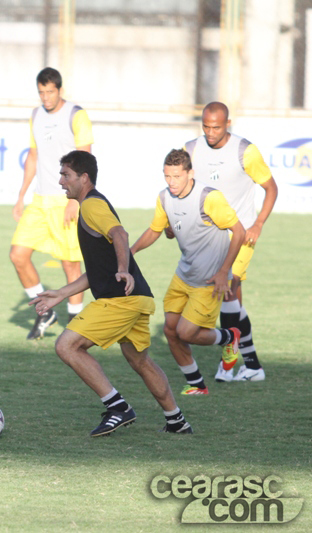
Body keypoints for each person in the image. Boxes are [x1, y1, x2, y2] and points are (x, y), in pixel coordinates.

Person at [30, 150, 192, 436]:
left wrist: (123, 269)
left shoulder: (92, 206)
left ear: (84, 177)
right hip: (138, 297)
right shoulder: (92, 206)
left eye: (66, 175)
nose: (60, 181)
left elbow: (120, 234)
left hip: (120, 300)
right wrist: (62, 293)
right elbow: (97, 271)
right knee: (139, 360)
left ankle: (117, 407)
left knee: (66, 346)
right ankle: (176, 420)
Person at [131, 149, 245, 395]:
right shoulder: (164, 197)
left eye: (176, 176)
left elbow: (240, 231)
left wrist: (223, 271)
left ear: (190, 174)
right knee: (171, 331)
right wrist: (131, 251)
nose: (171, 182)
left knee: (186, 333)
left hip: (209, 281)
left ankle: (229, 336)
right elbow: (155, 230)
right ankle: (197, 385)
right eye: (167, 176)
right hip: (183, 275)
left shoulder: (209, 197)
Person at [184, 102, 278, 382]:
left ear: (228, 124)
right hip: (208, 238)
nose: (210, 132)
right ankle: (252, 365)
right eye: (206, 126)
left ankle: (228, 364)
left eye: (217, 126)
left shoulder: (245, 151)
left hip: (242, 234)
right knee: (233, 299)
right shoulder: (191, 149)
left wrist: (259, 223)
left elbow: (271, 188)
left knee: (227, 288)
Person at [11, 67, 92, 340]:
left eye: (50, 92)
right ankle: (45, 312)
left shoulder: (75, 115)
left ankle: (75, 321)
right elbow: (33, 156)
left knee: (71, 264)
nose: (46, 98)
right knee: (18, 255)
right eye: (41, 92)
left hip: (66, 199)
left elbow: (85, 159)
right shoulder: (35, 115)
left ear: (60, 90)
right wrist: (21, 195)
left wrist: (76, 200)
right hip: (39, 201)